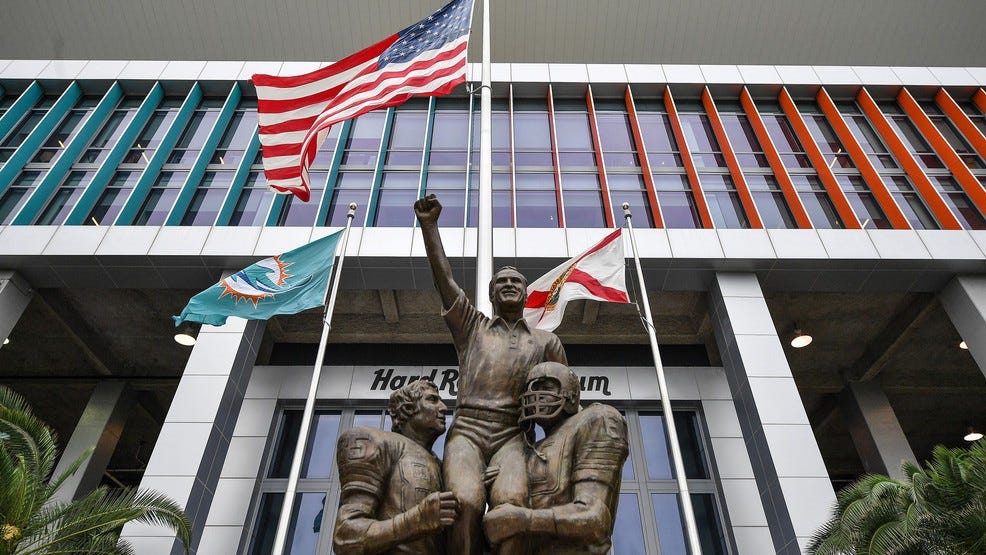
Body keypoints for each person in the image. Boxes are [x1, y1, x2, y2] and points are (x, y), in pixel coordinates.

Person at [414, 194, 568, 554]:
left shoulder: (547, 341)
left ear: (526, 294)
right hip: (468, 431)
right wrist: (429, 226)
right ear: (491, 293)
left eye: (516, 281)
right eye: (502, 282)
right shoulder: (473, 327)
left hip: (514, 436)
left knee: (511, 508)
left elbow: (565, 400)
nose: (509, 284)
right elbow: (445, 282)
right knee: (465, 501)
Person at [483, 361, 629, 554]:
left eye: (546, 387)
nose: (536, 395)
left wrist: (524, 520)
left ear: (571, 394)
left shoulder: (596, 419)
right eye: (533, 388)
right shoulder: (522, 451)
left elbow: (594, 518)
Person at [333, 379, 458, 555]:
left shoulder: (443, 467)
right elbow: (346, 536)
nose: (444, 408)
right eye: (432, 400)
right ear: (407, 408)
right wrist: (416, 520)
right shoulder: (375, 442)